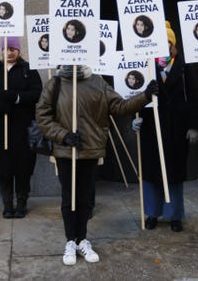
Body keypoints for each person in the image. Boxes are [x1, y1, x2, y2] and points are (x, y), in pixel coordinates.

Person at [35, 64, 159, 266]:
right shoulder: (55, 83)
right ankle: (70, 241)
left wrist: (144, 96)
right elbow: (42, 115)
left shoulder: (97, 81)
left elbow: (119, 106)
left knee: (84, 197)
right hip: (65, 151)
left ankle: (82, 239)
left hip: (90, 149)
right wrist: (63, 135)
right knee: (69, 197)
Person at [132, 21, 198, 232]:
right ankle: (152, 213)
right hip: (151, 129)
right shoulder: (144, 66)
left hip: (176, 130)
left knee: (174, 174)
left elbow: (195, 97)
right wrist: (135, 118)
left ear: (173, 45)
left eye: (167, 43)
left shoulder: (183, 67)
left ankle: (174, 215)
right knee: (152, 174)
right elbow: (134, 95)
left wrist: (194, 126)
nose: (163, 47)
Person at [0, 37, 42, 219]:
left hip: (22, 127)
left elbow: (37, 93)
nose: (9, 53)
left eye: (13, 49)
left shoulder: (28, 70)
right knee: (3, 167)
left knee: (23, 166)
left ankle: (22, 202)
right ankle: (7, 204)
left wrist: (16, 97)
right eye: (6, 49)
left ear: (19, 50)